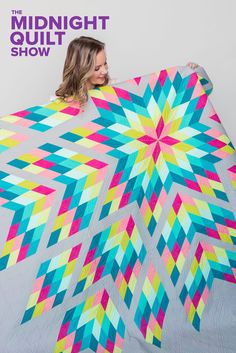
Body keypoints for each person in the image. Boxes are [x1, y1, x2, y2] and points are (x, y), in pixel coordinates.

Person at [55, 36, 201, 107]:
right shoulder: (59, 102)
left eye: (105, 63)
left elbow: (152, 99)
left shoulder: (115, 87)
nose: (105, 71)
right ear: (81, 69)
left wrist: (184, 77)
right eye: (97, 68)